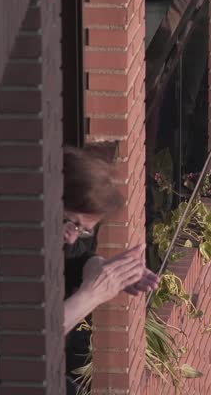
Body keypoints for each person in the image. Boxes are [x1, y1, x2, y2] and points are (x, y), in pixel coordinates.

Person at [61, 142, 157, 394]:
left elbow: (76, 256)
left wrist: (104, 268)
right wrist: (92, 294)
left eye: (84, 231)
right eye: (72, 223)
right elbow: (34, 339)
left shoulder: (61, 238)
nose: (72, 238)